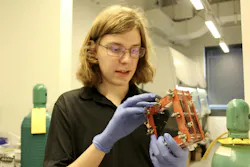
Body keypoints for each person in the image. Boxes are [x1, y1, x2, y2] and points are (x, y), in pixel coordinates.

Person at [44, 5, 188, 167]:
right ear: (93, 50)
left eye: (134, 50)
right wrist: (103, 143)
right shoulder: (68, 106)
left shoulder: (155, 107)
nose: (126, 59)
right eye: (115, 48)